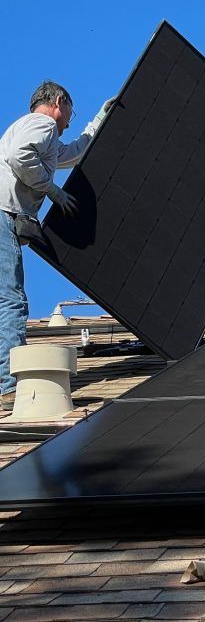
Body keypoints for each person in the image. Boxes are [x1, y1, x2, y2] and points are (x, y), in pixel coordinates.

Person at [0, 81, 114, 411]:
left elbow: (72, 154)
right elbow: (20, 156)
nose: (67, 123)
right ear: (58, 102)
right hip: (3, 214)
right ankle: (8, 387)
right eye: (70, 115)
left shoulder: (42, 135)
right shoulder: (42, 124)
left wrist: (99, 119)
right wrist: (52, 190)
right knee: (12, 300)